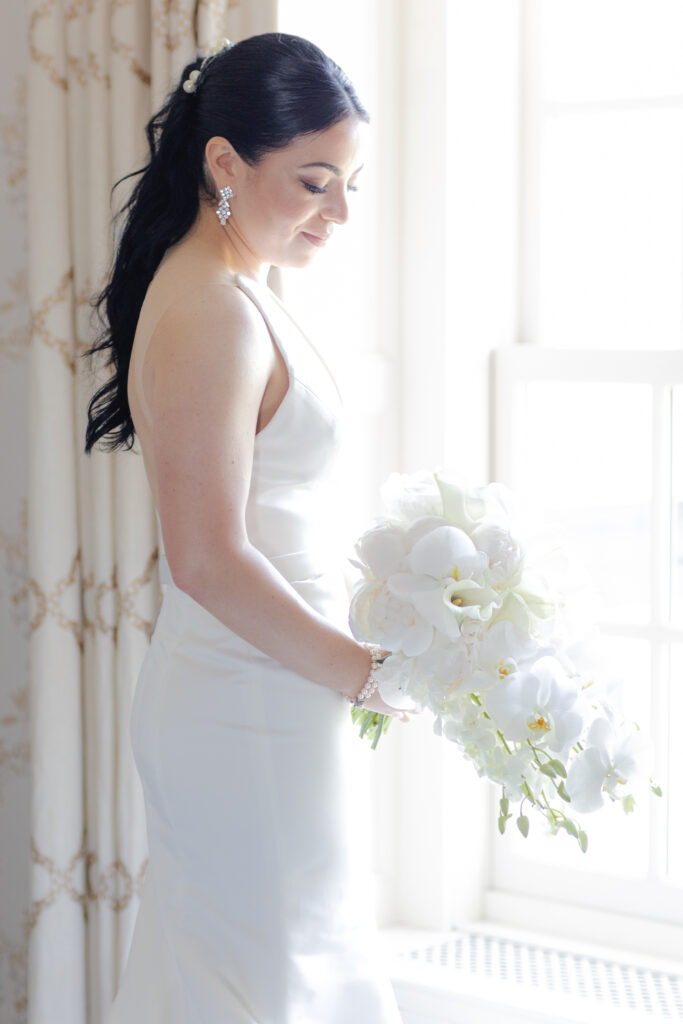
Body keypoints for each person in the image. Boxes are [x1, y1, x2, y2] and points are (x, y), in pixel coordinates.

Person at [84, 31, 416, 1024]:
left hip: (275, 692)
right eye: (314, 182)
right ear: (225, 163)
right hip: (241, 705)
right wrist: (360, 670)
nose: (339, 212)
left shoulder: (241, 291)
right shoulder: (211, 310)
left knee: (287, 970)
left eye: (350, 182)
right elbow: (207, 558)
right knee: (279, 980)